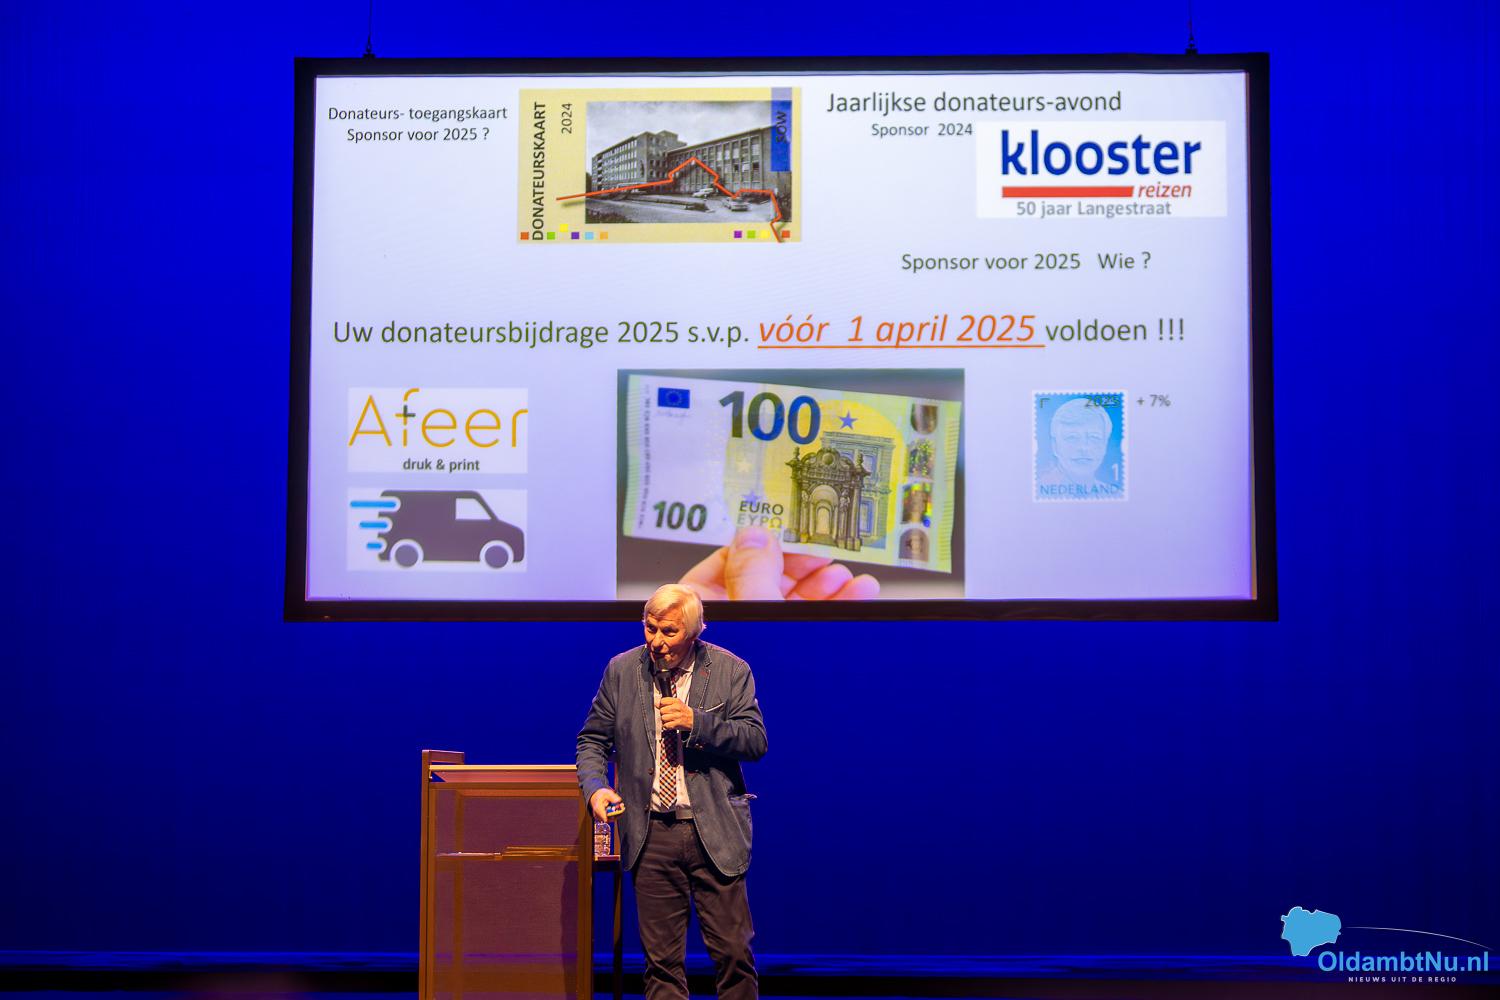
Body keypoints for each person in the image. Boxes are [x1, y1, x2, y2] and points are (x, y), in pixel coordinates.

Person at [577, 584, 767, 1000]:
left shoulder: (730, 670)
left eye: (669, 632)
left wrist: (697, 723)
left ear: (694, 633)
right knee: (661, 964)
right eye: (650, 629)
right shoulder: (622, 670)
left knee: (733, 955)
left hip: (713, 831)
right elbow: (592, 740)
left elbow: (755, 741)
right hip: (651, 833)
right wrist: (595, 788)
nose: (657, 642)